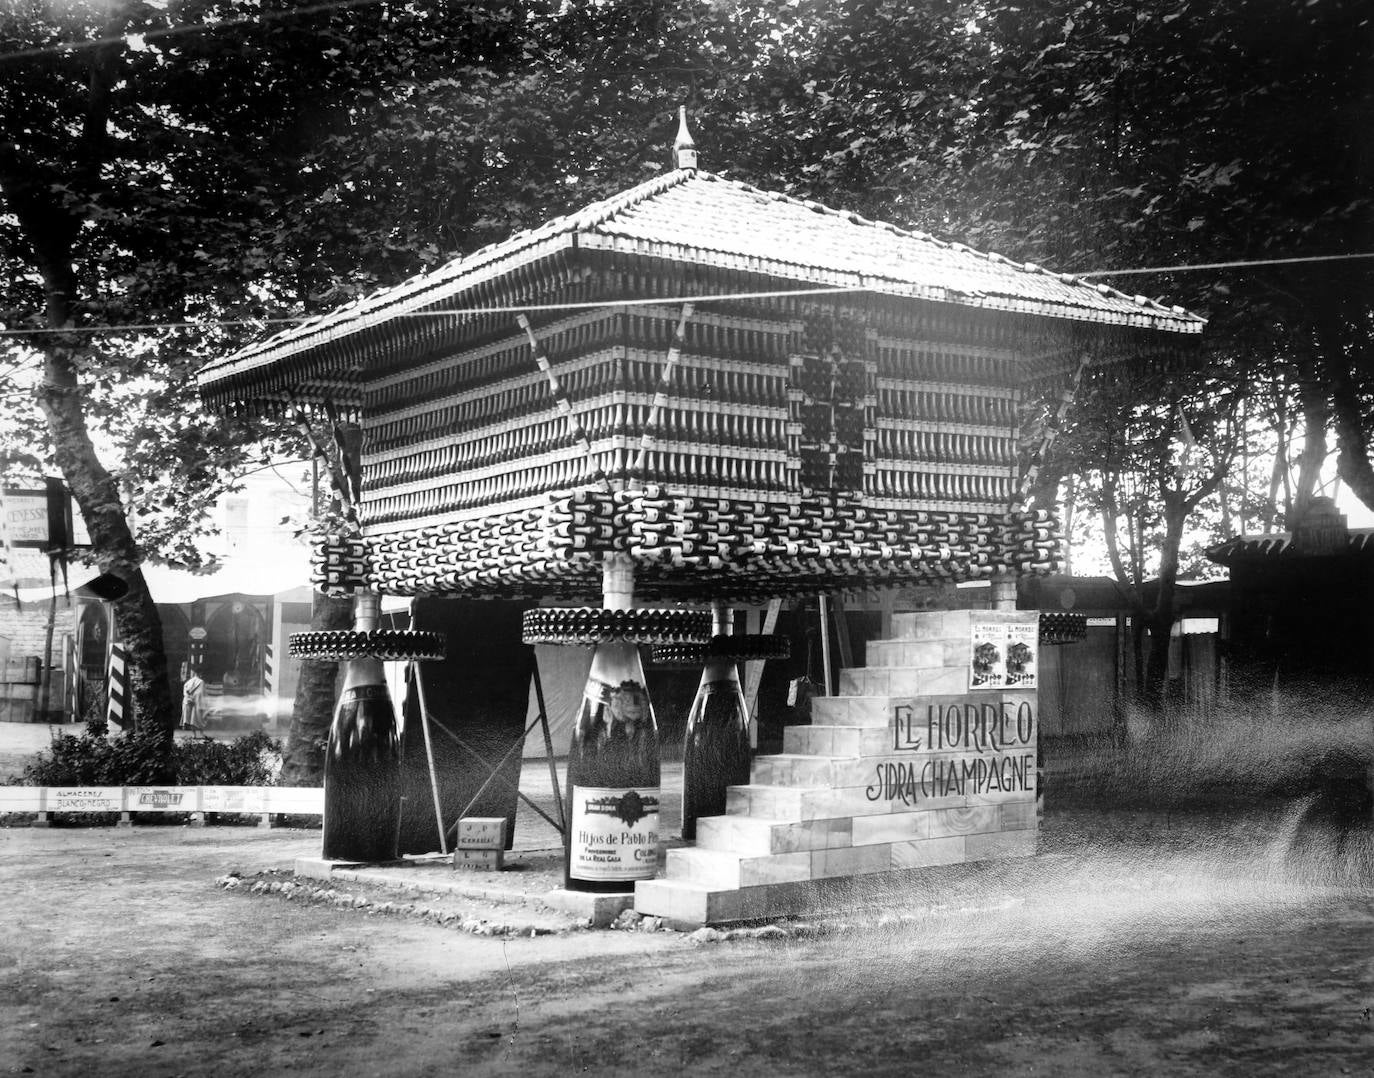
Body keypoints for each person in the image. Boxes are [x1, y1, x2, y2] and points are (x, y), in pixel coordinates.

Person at [181, 666, 205, 730]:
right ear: (200, 673)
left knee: (187, 714)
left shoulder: (189, 681)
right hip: (195, 700)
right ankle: (193, 726)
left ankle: (185, 725)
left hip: (187, 699)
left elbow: (185, 690)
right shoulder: (201, 682)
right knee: (194, 714)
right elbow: (201, 693)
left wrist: (188, 696)